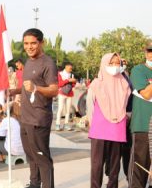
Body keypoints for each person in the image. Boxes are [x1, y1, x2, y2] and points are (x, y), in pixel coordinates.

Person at [11, 28, 58, 188]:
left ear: (41, 43)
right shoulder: (29, 62)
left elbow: (54, 90)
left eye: (33, 43)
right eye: (26, 43)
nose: (29, 47)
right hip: (25, 117)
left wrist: (37, 88)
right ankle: (34, 184)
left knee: (42, 157)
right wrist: (12, 91)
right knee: (31, 155)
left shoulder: (48, 63)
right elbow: (26, 87)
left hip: (39, 118)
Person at [86, 53, 130, 188]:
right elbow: (90, 107)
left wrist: (124, 68)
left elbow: (128, 99)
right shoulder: (96, 84)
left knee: (115, 165)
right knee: (97, 164)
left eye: (118, 63)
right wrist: (92, 124)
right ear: (104, 64)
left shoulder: (124, 82)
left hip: (118, 127)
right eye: (111, 63)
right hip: (100, 128)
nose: (115, 66)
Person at [128, 42, 152, 188]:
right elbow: (147, 94)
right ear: (145, 53)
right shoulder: (138, 70)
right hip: (143, 125)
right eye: (149, 51)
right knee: (140, 168)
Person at [55, 62, 77, 131]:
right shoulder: (60, 74)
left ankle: (66, 124)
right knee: (60, 109)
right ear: (66, 67)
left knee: (68, 110)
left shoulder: (72, 75)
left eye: (71, 69)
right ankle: (57, 124)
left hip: (69, 94)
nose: (71, 70)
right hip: (62, 93)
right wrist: (68, 80)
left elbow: (73, 85)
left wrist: (74, 82)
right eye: (70, 68)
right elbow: (59, 84)